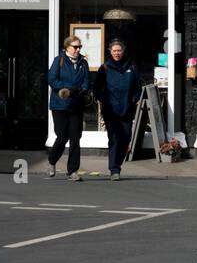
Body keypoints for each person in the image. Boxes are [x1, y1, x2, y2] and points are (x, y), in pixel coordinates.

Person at [94, 39, 141, 181]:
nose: (117, 53)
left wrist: (132, 100)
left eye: (119, 50)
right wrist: (105, 101)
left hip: (127, 110)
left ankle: (117, 164)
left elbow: (138, 88)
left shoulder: (131, 66)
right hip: (111, 111)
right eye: (114, 51)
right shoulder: (105, 68)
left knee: (126, 138)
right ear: (110, 51)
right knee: (114, 139)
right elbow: (96, 88)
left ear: (123, 51)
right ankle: (114, 170)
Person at [46, 36, 91, 181]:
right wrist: (66, 89)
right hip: (60, 105)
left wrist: (82, 89)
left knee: (75, 138)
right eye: (75, 47)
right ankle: (52, 160)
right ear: (67, 47)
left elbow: (86, 81)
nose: (78, 50)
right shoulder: (59, 60)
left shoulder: (83, 63)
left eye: (80, 47)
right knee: (62, 136)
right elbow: (52, 79)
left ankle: (72, 171)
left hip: (76, 104)